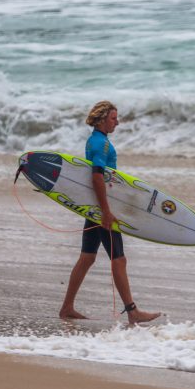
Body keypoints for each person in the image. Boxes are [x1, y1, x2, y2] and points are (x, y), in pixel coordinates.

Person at [59, 101, 161, 324]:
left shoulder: (97, 140)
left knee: (87, 257)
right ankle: (132, 311)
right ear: (103, 118)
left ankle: (67, 307)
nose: (118, 122)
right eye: (114, 118)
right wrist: (106, 211)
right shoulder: (101, 144)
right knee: (119, 259)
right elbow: (96, 176)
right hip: (103, 208)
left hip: (96, 207)